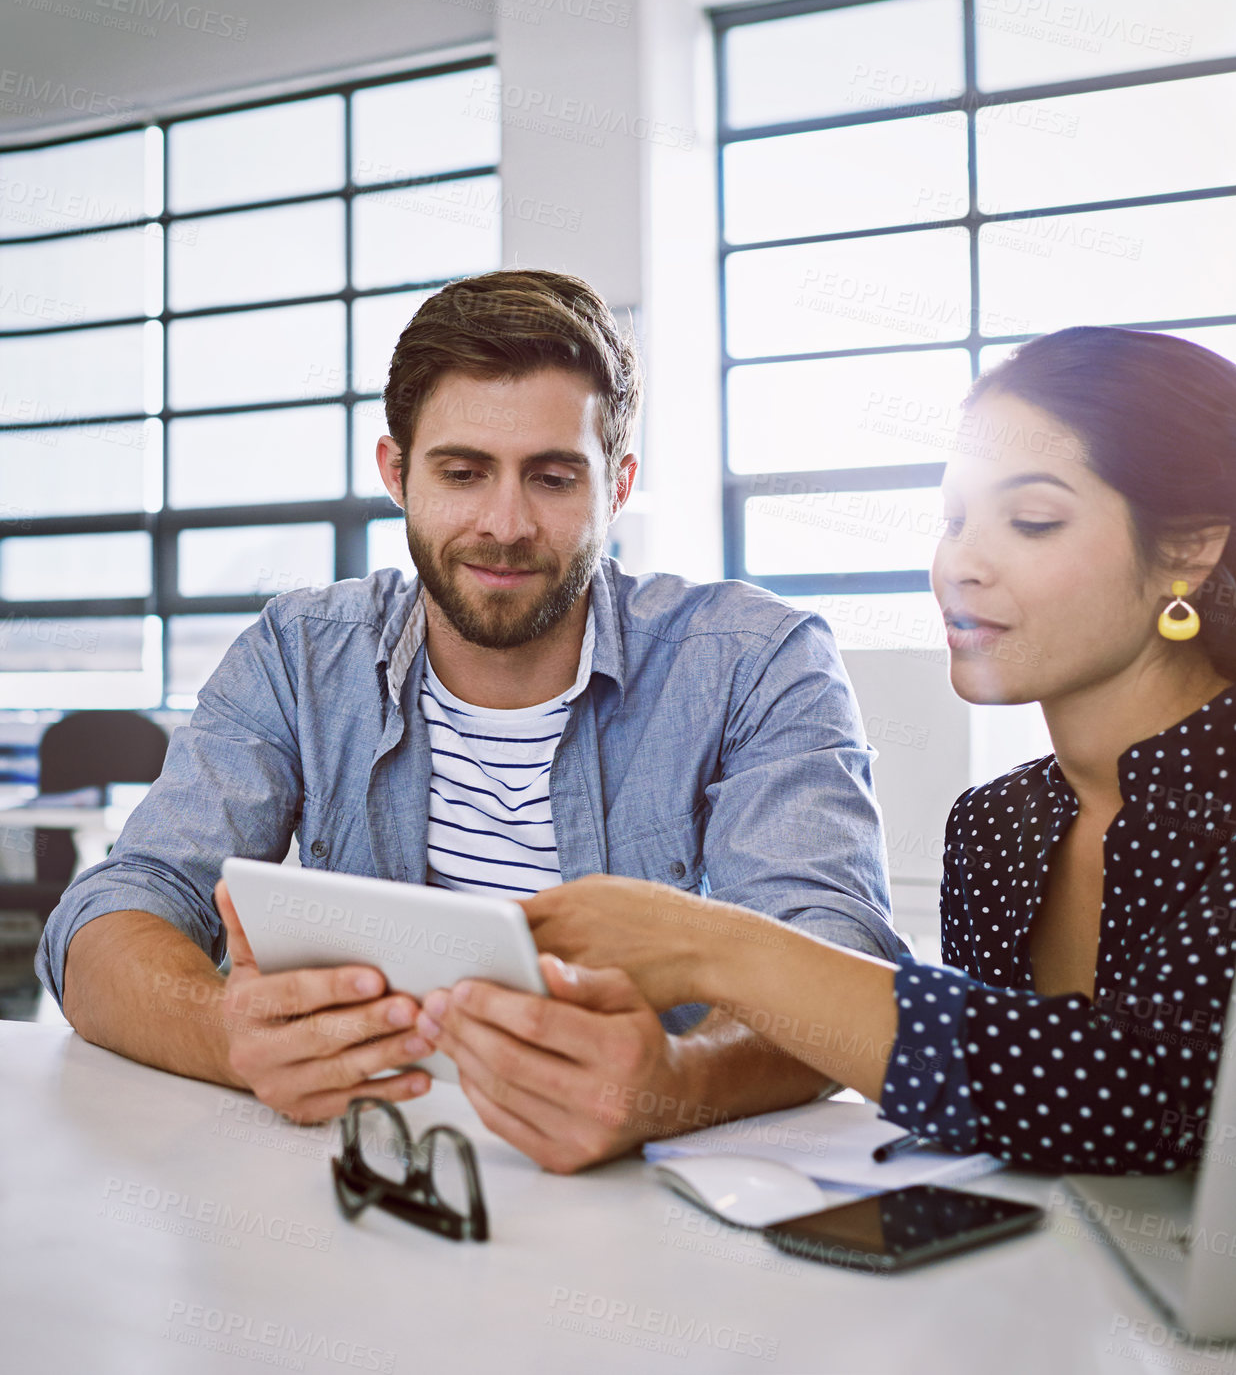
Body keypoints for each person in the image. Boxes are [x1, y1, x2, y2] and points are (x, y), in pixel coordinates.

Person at [37, 268, 903, 1173]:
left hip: (657, 1207)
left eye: (554, 476)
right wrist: (227, 1035)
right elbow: (112, 911)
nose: (505, 523)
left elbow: (834, 961)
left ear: (617, 486)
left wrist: (675, 1084)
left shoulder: (758, 658)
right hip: (362, 1185)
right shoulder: (299, 651)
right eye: (462, 472)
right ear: (396, 473)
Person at [479, 326, 1236, 1174]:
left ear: (1186, 549)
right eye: (953, 520)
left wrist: (715, 949)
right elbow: (1006, 1118)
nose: (962, 566)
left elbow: (1144, 1098)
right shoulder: (997, 826)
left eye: (1031, 521)